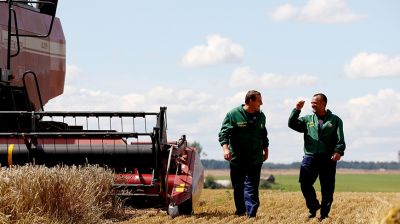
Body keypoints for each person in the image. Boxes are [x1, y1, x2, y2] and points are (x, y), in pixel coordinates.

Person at [288, 93, 345, 220]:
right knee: (304, 183)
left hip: (328, 159)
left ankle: (324, 215)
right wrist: (296, 110)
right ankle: (313, 206)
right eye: (312, 102)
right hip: (310, 157)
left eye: (315, 102)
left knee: (327, 189)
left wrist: (338, 151)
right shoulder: (307, 119)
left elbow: (340, 139)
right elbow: (292, 124)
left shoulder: (335, 120)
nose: (312, 105)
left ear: (324, 103)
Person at [218, 90, 269, 217]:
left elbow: (264, 134)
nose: (261, 103)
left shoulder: (261, 116)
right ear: (250, 101)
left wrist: (266, 149)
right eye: (259, 100)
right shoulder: (233, 115)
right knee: (238, 187)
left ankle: (251, 214)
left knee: (252, 187)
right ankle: (241, 212)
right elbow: (224, 134)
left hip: (255, 158)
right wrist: (225, 149)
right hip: (238, 158)